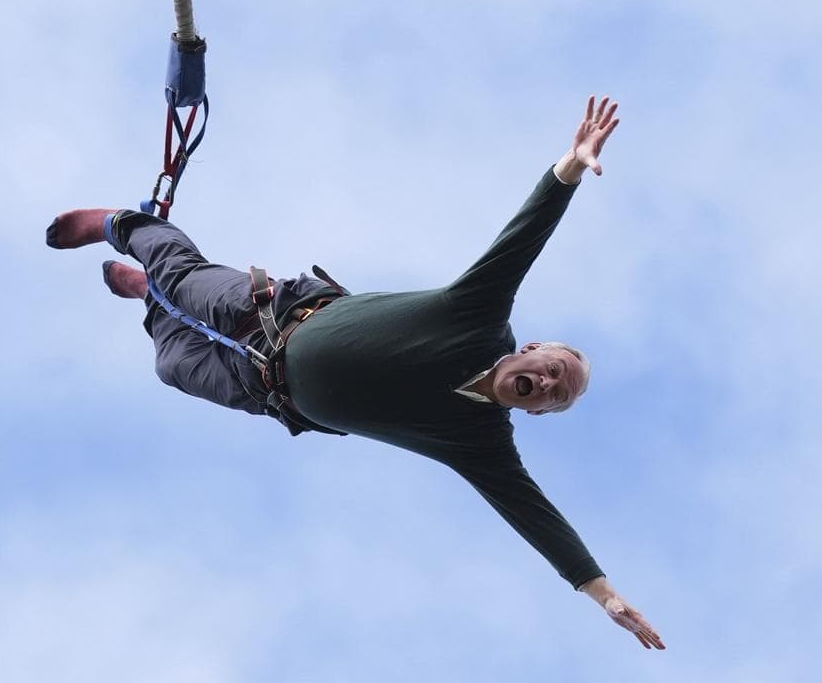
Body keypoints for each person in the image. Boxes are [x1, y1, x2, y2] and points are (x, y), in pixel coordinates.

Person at [47, 95, 664, 650]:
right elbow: (524, 236)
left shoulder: (480, 443)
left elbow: (536, 517)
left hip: (263, 390)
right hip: (271, 310)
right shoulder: (478, 316)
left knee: (170, 364)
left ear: (535, 412)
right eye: (553, 369)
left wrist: (603, 594)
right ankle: (119, 227)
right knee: (183, 275)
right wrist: (572, 166)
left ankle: (146, 297)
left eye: (554, 396)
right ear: (530, 348)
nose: (549, 383)